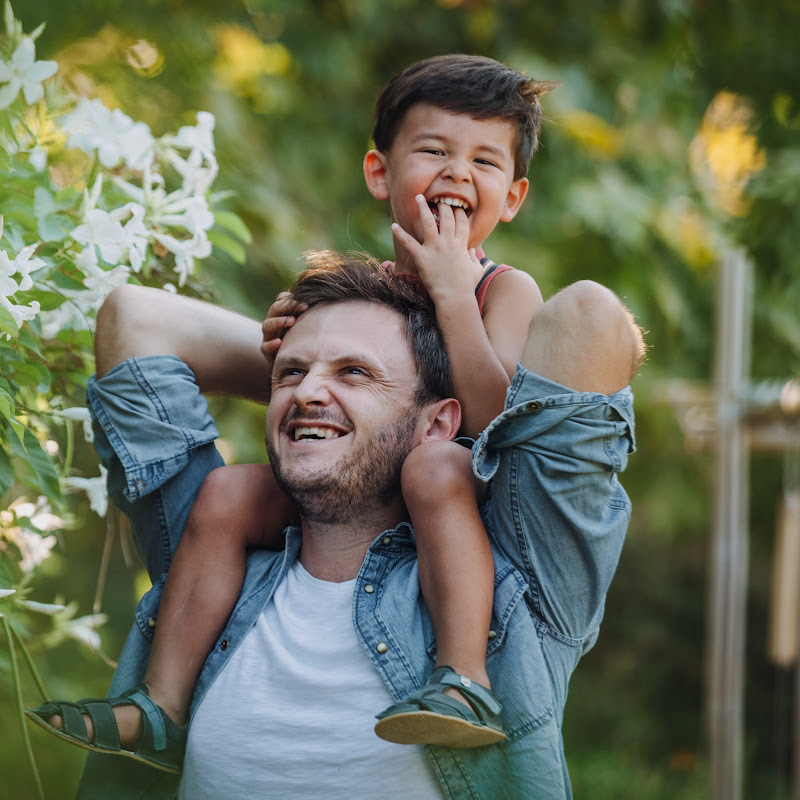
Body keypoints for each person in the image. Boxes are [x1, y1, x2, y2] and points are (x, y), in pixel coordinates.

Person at [29, 53, 559, 760]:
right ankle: (159, 702)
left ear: (514, 196)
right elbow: (313, 398)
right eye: (434, 151)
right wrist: (283, 342)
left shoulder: (507, 289)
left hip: (446, 503)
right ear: (381, 173)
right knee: (226, 493)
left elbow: (496, 421)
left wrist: (455, 296)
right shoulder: (362, 284)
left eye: (484, 161)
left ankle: (463, 677)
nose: (459, 173)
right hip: (352, 488)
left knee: (433, 467)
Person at [30, 249, 641, 799]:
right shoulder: (211, 559)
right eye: (288, 376)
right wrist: (325, 366)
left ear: (436, 426)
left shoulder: (514, 598)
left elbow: (588, 319)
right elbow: (133, 318)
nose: (305, 394)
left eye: (355, 372)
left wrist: (454, 311)